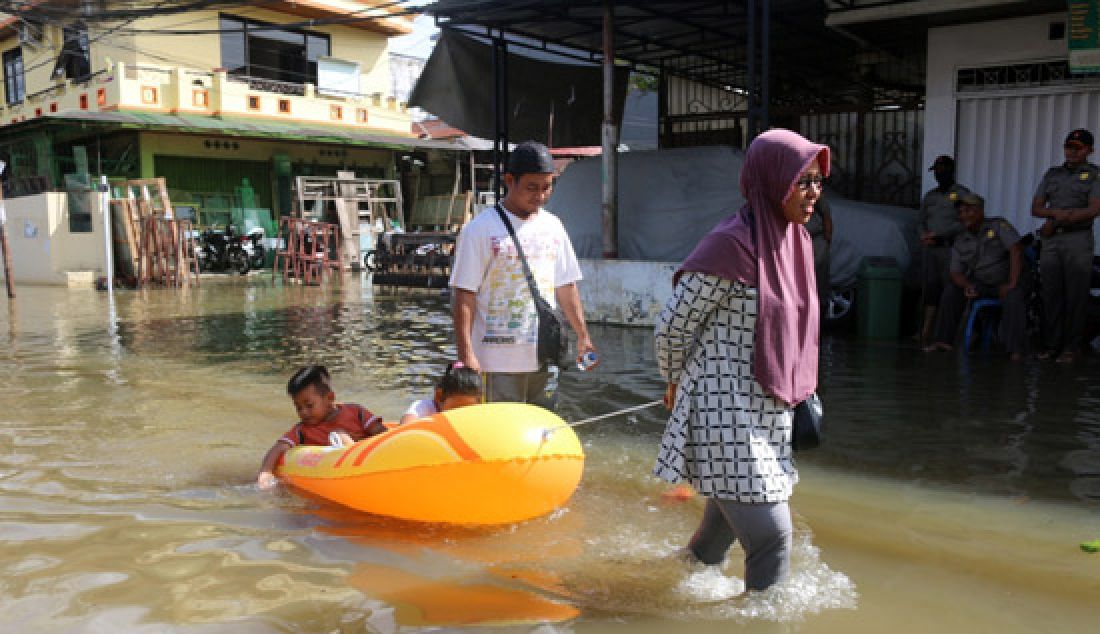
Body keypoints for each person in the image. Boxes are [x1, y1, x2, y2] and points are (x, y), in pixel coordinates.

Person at [653, 128, 826, 592]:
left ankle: (653, 589)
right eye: (802, 181)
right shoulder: (732, 245)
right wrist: (672, 379)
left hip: (769, 407)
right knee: (772, 538)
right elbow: (673, 326)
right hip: (722, 408)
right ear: (771, 182)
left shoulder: (796, 243)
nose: (813, 193)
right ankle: (763, 622)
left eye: (817, 180)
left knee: (714, 542)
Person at [449, 140, 598, 408]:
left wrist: (583, 336)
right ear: (509, 180)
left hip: (544, 356)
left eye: (547, 187)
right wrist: (467, 356)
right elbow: (464, 295)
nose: (540, 195)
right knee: (499, 436)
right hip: (496, 363)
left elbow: (566, 286)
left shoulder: (554, 226)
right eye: (531, 187)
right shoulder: (480, 230)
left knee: (542, 431)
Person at [923, 193, 1029, 360]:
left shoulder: (998, 226)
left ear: (980, 211)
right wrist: (967, 285)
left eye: (969, 211)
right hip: (982, 284)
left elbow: (1016, 250)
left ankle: (1015, 350)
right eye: (961, 212)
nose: (964, 215)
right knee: (952, 290)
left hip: (1006, 281)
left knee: (1014, 296)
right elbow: (956, 272)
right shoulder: (960, 239)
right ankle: (943, 341)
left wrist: (1011, 282)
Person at [1031, 129, 1100, 363]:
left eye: (1078, 147)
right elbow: (1036, 207)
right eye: (1069, 146)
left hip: (1077, 239)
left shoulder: (1094, 175)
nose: (1072, 151)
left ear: (1089, 150)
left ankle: (1071, 348)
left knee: (1076, 295)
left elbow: (1094, 209)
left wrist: (1062, 217)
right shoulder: (1052, 174)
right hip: (1052, 240)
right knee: (1051, 294)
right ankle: (1052, 345)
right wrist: (1055, 216)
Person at [256, 365, 386, 489]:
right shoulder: (302, 430)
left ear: (329, 398)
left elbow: (382, 434)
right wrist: (266, 473)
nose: (303, 412)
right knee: (338, 434)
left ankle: (347, 446)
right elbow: (278, 448)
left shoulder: (356, 412)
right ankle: (342, 446)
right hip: (333, 468)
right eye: (298, 407)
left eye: (309, 405)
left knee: (339, 433)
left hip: (367, 461)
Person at [918, 155, 972, 343]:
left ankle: (949, 334)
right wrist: (923, 235)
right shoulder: (930, 196)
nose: (939, 174)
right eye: (936, 171)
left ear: (951, 171)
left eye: (942, 170)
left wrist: (942, 235)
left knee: (950, 291)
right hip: (930, 250)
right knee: (930, 289)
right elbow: (921, 220)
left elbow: (967, 221)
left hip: (950, 249)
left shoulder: (962, 194)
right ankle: (926, 332)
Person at [399, 361, 483, 424]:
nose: (460, 417)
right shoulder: (424, 408)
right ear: (439, 397)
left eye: (466, 411)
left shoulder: (475, 414)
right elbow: (405, 428)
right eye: (455, 411)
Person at [805, 196, 833, 314]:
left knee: (819, 276)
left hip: (815, 236)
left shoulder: (812, 186)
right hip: (794, 237)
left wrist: (827, 237)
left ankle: (820, 308)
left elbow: (825, 212)